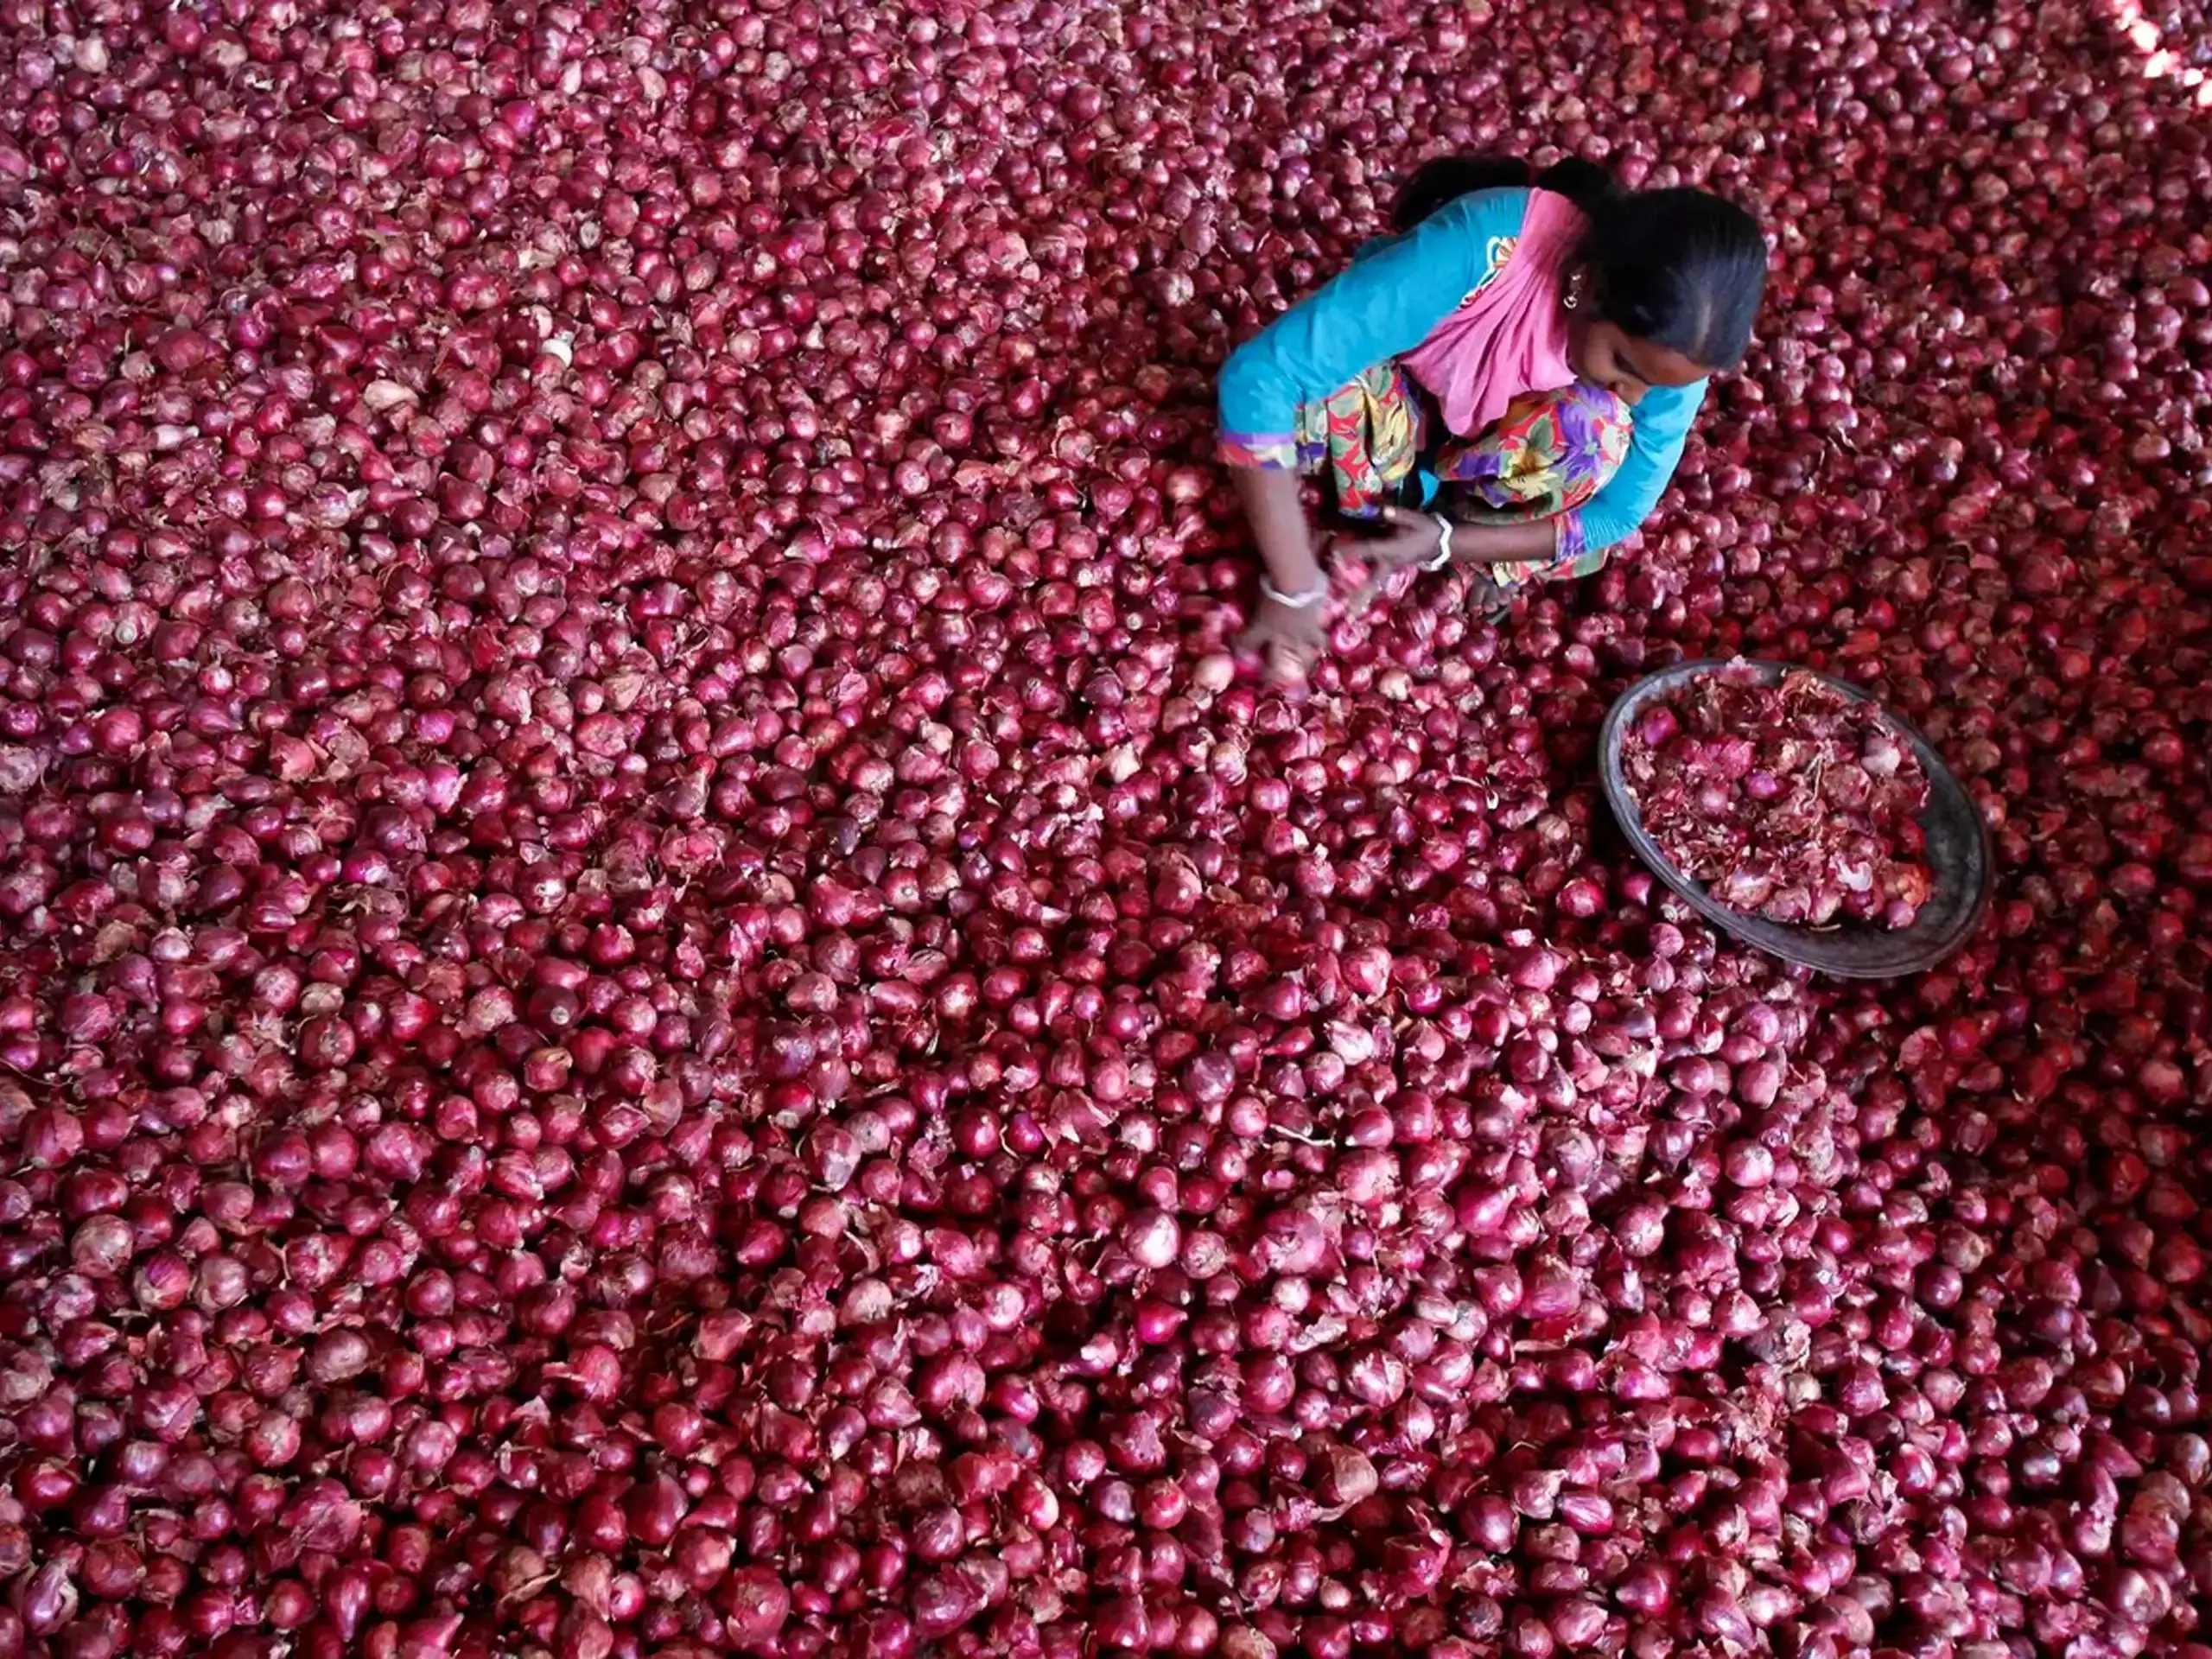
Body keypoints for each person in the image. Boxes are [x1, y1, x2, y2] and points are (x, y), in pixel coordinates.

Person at [1217, 156, 1769, 682]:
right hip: (1396, 403)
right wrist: (1294, 586)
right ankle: (1367, 511)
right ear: (1588, 285)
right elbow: (1260, 378)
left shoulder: (1678, 351)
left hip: (1489, 474)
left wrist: (1445, 541)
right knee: (1315, 393)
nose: (1636, 391)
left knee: (1598, 434)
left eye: (1656, 384)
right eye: (1623, 364)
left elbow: (1618, 513)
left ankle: (1452, 531)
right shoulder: (1489, 248)